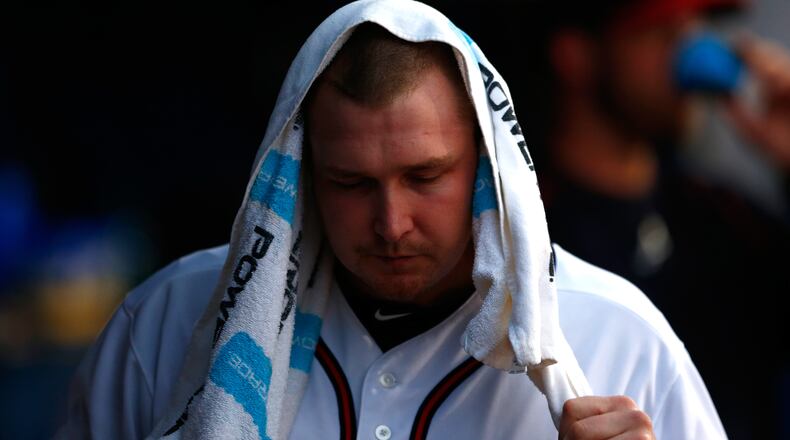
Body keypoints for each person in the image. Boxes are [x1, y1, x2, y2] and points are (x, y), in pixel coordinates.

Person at [56, 1, 724, 439]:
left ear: (490, 173)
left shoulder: (619, 336)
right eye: (351, 183)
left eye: (425, 177)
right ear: (299, 174)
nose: (391, 222)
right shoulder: (168, 321)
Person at [516, 0, 790, 437]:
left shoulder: (726, 215)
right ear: (576, 55)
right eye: (661, 32)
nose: (689, 52)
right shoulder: (522, 233)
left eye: (696, 28)